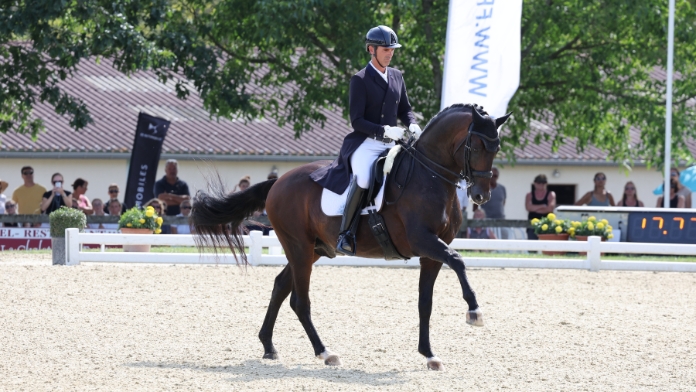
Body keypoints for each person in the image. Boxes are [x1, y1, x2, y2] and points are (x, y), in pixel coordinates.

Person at [310, 25, 419, 256]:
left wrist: (412, 124)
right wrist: (385, 131)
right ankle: (345, 234)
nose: (390, 53)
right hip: (366, 143)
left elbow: (405, 109)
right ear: (372, 49)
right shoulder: (360, 79)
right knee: (364, 178)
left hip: (393, 142)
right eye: (385, 49)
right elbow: (357, 120)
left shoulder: (397, 76)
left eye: (392, 49)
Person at [525, 174, 556, 240]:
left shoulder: (551, 194)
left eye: (543, 182)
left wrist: (534, 208)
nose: (541, 185)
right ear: (535, 183)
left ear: (546, 184)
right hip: (532, 225)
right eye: (539, 182)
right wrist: (542, 206)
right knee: (532, 247)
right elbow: (528, 208)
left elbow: (549, 209)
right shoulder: (529, 195)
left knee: (547, 246)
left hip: (547, 225)